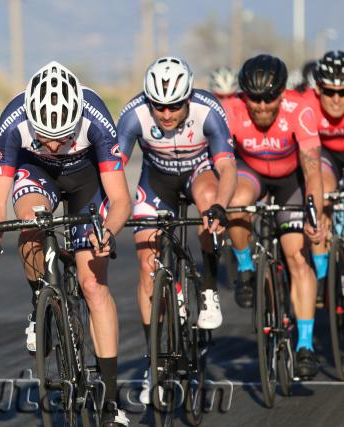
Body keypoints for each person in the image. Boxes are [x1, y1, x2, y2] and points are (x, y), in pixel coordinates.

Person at [0, 61, 131, 426]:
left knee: (93, 285)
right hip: (37, 174)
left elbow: (121, 199)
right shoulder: (13, 121)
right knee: (30, 220)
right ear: (31, 120)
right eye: (46, 136)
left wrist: (107, 232)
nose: (57, 145)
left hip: (87, 180)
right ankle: (39, 300)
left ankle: (110, 400)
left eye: (64, 135)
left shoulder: (95, 117)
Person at [117, 56, 237, 404]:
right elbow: (113, 169)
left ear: (188, 98)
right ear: (147, 100)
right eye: (159, 107)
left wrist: (220, 208)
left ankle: (210, 290)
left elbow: (227, 166)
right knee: (145, 264)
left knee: (208, 201)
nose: (167, 115)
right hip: (155, 182)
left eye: (174, 106)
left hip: (200, 174)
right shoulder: (133, 114)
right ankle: (153, 360)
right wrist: (111, 209)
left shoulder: (208, 109)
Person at [224, 54, 326, 379]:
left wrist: (314, 214)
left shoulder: (300, 110)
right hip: (249, 173)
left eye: (269, 98)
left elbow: (312, 172)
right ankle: (244, 265)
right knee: (236, 201)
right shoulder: (230, 111)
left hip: (288, 181)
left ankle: (305, 344)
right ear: (244, 95)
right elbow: (221, 164)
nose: (262, 106)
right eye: (254, 98)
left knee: (296, 256)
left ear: (282, 93)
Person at [301, 51, 344, 305]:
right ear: (318, 90)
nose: (336, 100)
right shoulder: (306, 103)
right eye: (329, 92)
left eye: (343, 92)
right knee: (322, 193)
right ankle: (323, 275)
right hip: (327, 157)